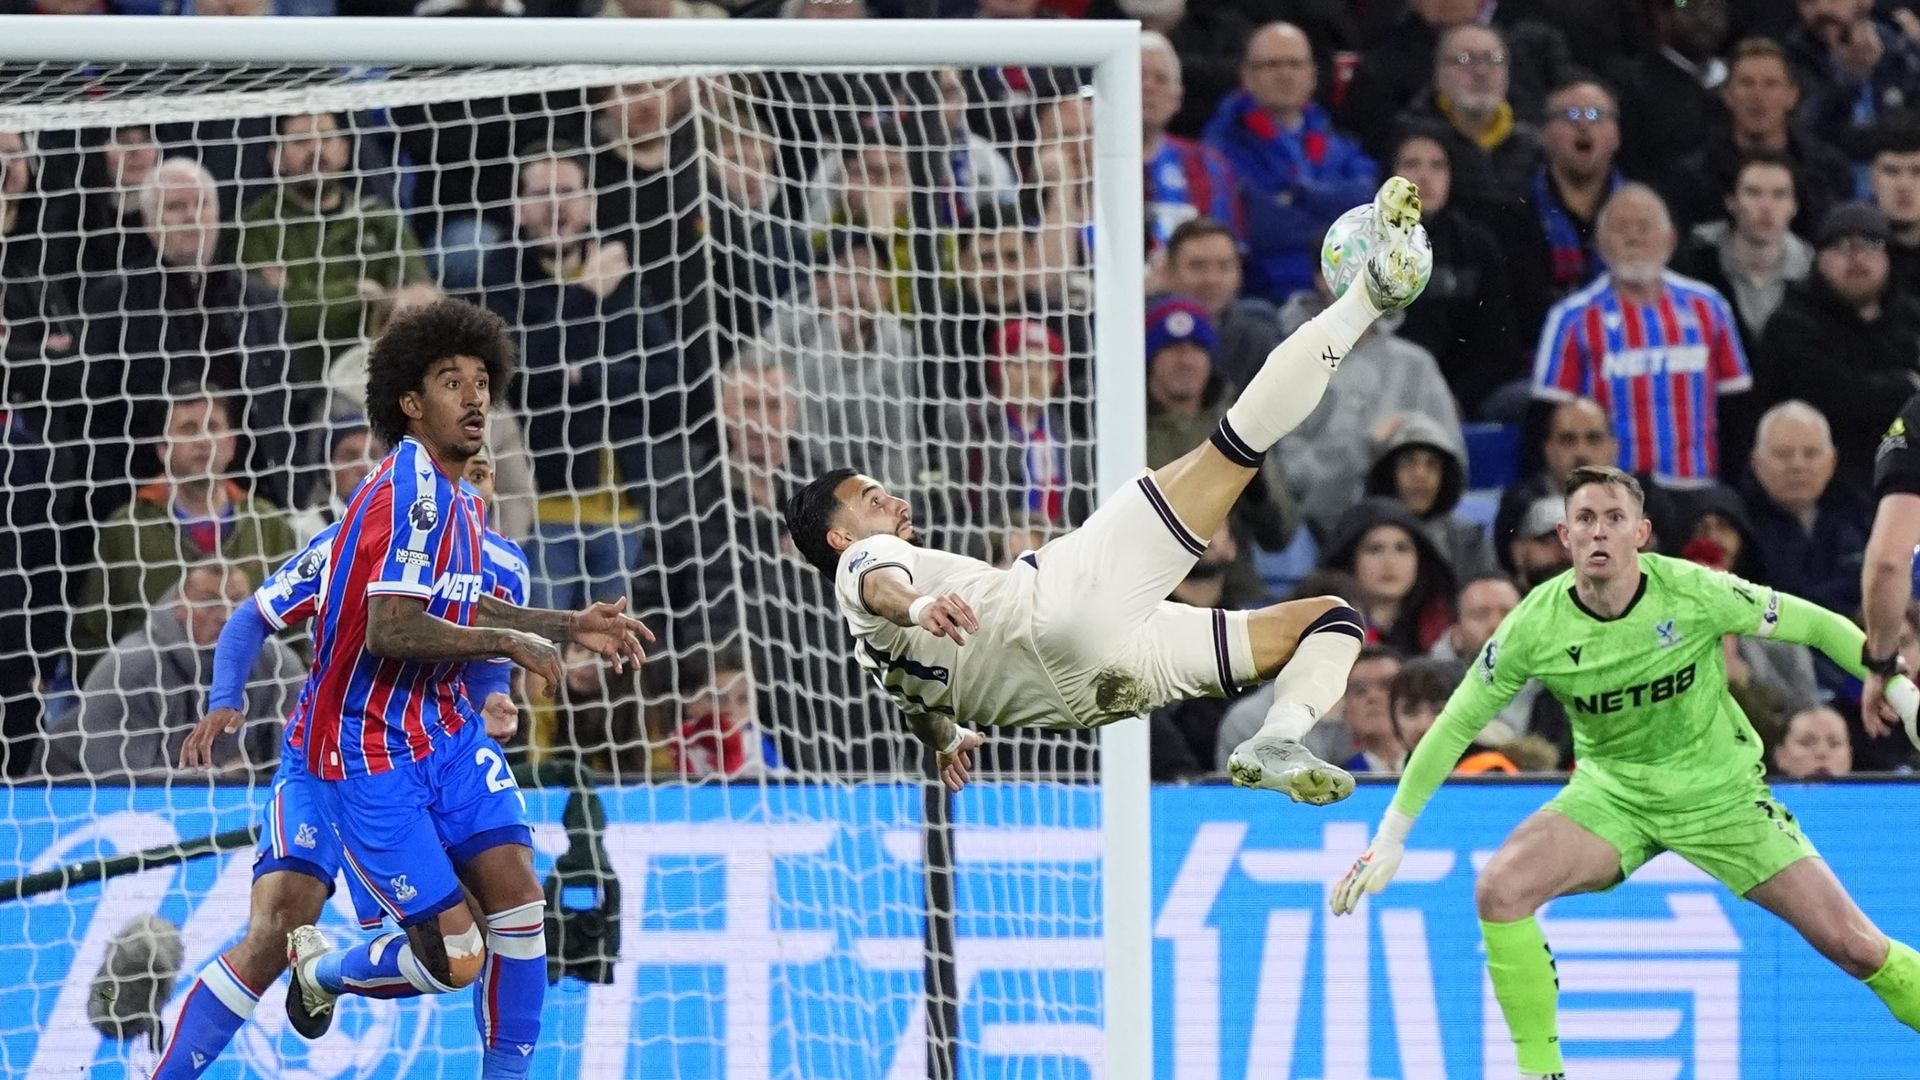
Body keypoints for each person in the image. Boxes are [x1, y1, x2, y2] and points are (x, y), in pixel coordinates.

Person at [783, 178, 1433, 800]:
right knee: (1234, 446)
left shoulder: (876, 657)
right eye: (873, 501)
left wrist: (947, 739)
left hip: (1099, 692)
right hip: (1055, 609)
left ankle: (1279, 737)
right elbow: (882, 584)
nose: (895, 502)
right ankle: (1366, 299)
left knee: (1330, 619)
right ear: (840, 538)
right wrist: (922, 606)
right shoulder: (866, 564)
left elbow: (919, 709)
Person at [1334, 464, 1920, 1080]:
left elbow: (1820, 626)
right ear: (1566, 536)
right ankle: (1541, 1072)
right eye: (1585, 519)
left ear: (1640, 533)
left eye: (1614, 518)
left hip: (1721, 798)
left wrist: (1901, 694)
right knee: (1499, 891)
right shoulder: (1535, 625)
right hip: (1612, 796)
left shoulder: (1694, 591)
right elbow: (1455, 724)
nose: (1599, 531)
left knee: (1857, 948)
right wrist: (1391, 834)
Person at [273, 299, 650, 1080]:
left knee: (522, 907)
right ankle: (323, 972)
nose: (475, 397)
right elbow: (392, 629)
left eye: (481, 381)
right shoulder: (410, 494)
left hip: (445, 737)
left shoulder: (452, 497)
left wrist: (566, 622)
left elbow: (463, 602)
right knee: (460, 958)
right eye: (452, 382)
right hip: (371, 753)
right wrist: (508, 643)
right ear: (411, 404)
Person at [153, 448, 525, 1080]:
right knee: (275, 929)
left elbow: (488, 667)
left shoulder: (504, 567)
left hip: (423, 768)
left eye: (482, 475)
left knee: (478, 941)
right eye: (458, 475)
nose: (468, 489)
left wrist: (492, 699)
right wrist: (225, 699)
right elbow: (251, 617)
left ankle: (324, 974)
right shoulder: (350, 545)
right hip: (325, 764)